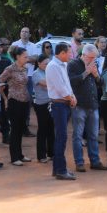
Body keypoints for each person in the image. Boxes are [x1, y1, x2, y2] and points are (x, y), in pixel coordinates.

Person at [67, 44, 107, 172]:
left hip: (93, 104)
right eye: (90, 57)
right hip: (79, 105)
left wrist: (95, 75)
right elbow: (72, 81)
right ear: (83, 55)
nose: (93, 60)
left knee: (93, 135)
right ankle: (79, 162)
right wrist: (86, 72)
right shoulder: (73, 64)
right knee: (78, 136)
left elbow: (101, 84)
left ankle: (95, 161)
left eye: (94, 58)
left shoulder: (93, 65)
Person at [46, 43, 78, 179]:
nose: (71, 55)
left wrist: (72, 96)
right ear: (62, 53)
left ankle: (58, 169)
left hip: (64, 104)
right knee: (61, 137)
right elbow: (60, 87)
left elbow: (67, 84)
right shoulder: (53, 66)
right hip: (59, 105)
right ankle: (60, 170)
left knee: (61, 137)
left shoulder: (63, 65)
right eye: (69, 53)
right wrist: (70, 98)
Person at [0, 46, 34, 166]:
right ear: (18, 57)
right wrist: (4, 98)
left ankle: (20, 155)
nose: (27, 58)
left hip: (25, 101)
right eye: (25, 56)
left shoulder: (25, 68)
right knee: (15, 129)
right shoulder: (10, 69)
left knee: (20, 129)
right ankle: (14, 157)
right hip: (14, 101)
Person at [31, 55, 54, 163]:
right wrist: (54, 83)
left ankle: (52, 153)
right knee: (43, 129)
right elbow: (45, 84)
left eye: (49, 63)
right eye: (45, 63)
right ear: (39, 63)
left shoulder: (48, 72)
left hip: (51, 103)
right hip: (41, 104)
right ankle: (41, 155)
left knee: (51, 128)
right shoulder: (36, 73)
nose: (47, 65)